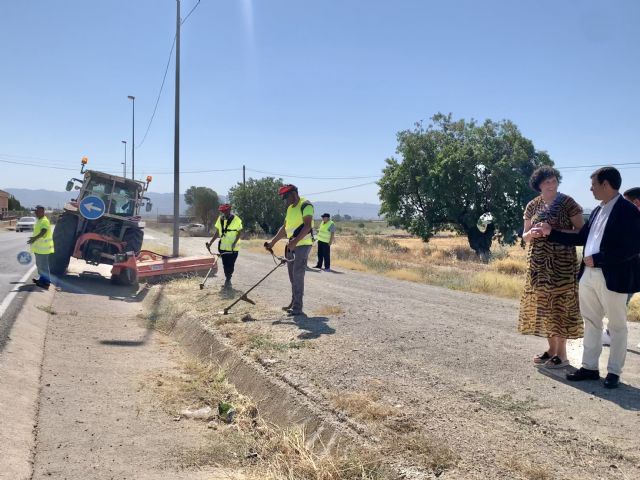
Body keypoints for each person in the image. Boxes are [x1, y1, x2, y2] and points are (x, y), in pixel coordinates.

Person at [537, 167, 640, 389]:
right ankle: (590, 367)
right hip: (588, 275)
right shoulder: (596, 210)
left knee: (617, 326)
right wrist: (550, 233)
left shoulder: (628, 211)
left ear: (606, 184)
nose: (590, 188)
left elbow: (632, 247)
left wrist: (600, 259)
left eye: (593, 184)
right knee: (591, 323)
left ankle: (614, 372)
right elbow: (582, 237)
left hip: (613, 276)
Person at [517, 166, 584, 369]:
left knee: (560, 307)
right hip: (538, 265)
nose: (551, 184)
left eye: (554, 180)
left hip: (562, 265)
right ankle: (551, 350)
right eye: (547, 181)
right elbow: (525, 235)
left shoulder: (568, 203)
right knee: (545, 308)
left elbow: (581, 232)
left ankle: (562, 355)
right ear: (538, 184)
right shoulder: (532, 205)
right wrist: (533, 234)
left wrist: (552, 230)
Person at [264, 184, 314, 316]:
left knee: (298, 274)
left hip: (303, 244)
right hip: (292, 245)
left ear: (293, 194)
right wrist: (272, 243)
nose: (285, 201)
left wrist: (295, 242)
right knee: (292, 276)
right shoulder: (290, 209)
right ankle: (294, 302)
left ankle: (298, 308)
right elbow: (284, 229)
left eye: (286, 197)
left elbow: (308, 226)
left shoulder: (306, 205)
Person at [206, 204, 242, 289]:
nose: (224, 212)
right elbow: (217, 232)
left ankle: (228, 278)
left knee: (231, 264)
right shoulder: (220, 219)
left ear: (229, 210)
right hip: (223, 247)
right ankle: (228, 280)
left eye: (225, 211)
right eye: (222, 211)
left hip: (234, 248)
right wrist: (210, 243)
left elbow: (239, 233)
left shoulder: (236, 219)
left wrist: (234, 243)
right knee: (225, 264)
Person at [27, 205, 55, 289]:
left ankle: (46, 282)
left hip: (44, 249)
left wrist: (34, 238)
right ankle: (41, 279)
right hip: (39, 248)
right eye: (35, 211)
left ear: (42, 212)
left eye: (37, 211)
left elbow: (43, 232)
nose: (35, 212)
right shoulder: (39, 220)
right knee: (39, 265)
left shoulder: (44, 221)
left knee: (43, 266)